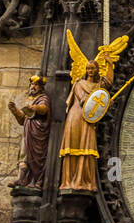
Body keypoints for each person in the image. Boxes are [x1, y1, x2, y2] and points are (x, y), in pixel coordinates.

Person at [60, 58, 102, 192]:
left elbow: (104, 92)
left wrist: (105, 103)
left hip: (89, 118)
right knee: (75, 144)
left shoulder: (99, 87)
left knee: (87, 147)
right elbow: (84, 100)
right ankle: (69, 180)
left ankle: (85, 180)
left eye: (93, 68)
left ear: (97, 70)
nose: (90, 71)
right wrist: (100, 101)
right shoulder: (79, 83)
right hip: (77, 116)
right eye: (88, 68)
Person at [8, 74, 51, 188]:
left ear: (41, 87)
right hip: (27, 132)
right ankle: (21, 179)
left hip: (38, 133)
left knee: (36, 157)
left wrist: (35, 108)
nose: (33, 87)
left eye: (36, 84)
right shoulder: (30, 100)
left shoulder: (43, 98)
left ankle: (36, 180)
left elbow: (44, 109)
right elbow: (22, 120)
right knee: (24, 155)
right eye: (32, 84)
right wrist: (15, 110)